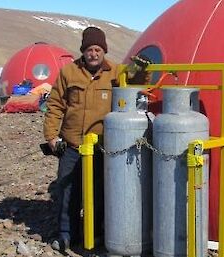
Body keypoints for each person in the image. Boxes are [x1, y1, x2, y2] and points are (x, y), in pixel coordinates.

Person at [43, 26, 151, 253]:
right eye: (89, 49)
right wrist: (51, 136)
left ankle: (99, 234)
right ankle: (67, 235)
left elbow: (137, 81)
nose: (93, 53)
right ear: (83, 51)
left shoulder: (116, 72)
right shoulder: (68, 73)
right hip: (73, 144)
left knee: (102, 191)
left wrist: (142, 67)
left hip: (104, 147)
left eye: (98, 49)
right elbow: (55, 106)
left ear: (104, 50)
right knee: (68, 191)